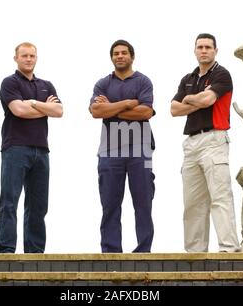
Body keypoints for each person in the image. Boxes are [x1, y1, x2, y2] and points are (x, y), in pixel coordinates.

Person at [170, 33, 240, 253]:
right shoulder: (188, 78)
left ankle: (228, 249)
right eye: (200, 47)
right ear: (194, 50)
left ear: (215, 51)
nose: (203, 50)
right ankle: (194, 254)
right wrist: (198, 100)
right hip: (191, 144)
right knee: (192, 204)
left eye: (208, 47)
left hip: (214, 140)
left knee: (220, 198)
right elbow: (173, 109)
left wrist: (190, 99)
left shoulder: (222, 74)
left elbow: (208, 100)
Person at [0, 42, 63, 253]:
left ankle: (35, 252)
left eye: (32, 55)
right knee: (9, 200)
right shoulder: (9, 83)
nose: (28, 59)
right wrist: (44, 107)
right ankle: (5, 249)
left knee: (38, 206)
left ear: (36, 58)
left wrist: (32, 102)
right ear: (16, 58)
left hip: (41, 150)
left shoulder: (46, 85)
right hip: (15, 148)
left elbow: (59, 111)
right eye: (24, 55)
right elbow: (18, 110)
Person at [89, 40, 155, 253]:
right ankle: (110, 252)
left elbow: (145, 112)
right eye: (116, 53)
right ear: (112, 57)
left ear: (132, 57)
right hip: (109, 151)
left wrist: (110, 108)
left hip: (140, 149)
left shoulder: (143, 81)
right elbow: (96, 112)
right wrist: (128, 103)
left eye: (124, 53)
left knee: (143, 203)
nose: (120, 56)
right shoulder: (102, 84)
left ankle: (143, 252)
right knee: (110, 204)